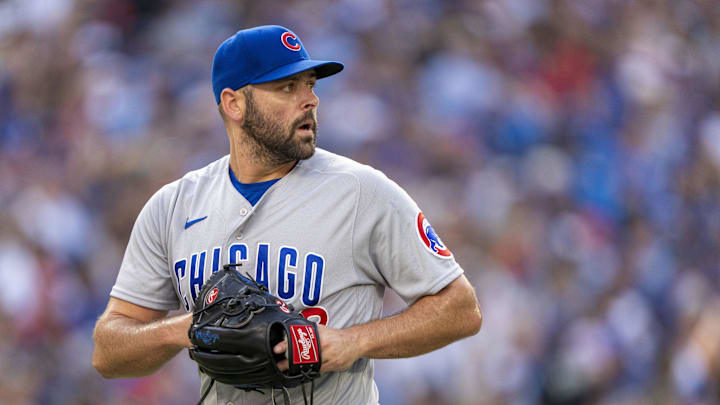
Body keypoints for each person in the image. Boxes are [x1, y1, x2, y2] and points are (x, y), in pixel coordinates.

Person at [92, 25, 482, 405]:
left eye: (311, 84)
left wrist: (353, 342)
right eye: (287, 87)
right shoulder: (173, 206)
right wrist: (185, 330)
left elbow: (460, 309)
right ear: (234, 104)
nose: (310, 99)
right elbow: (108, 352)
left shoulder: (363, 191)